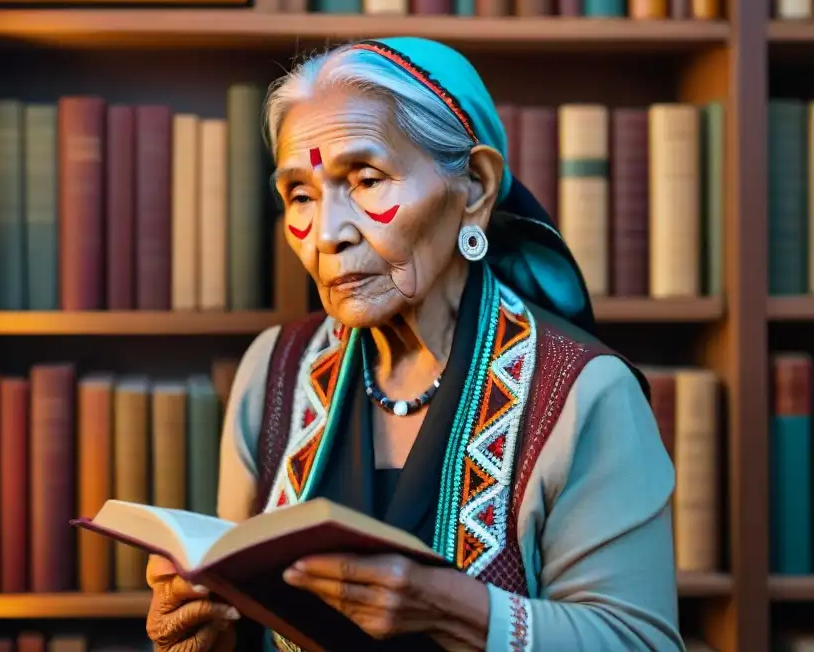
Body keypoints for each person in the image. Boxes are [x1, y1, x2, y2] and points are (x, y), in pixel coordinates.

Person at [144, 37, 684, 651]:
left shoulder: (581, 395)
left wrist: (459, 611)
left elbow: (643, 643)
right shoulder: (274, 374)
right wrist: (201, 633)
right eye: (300, 196)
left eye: (368, 180)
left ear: (475, 188)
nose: (326, 234)